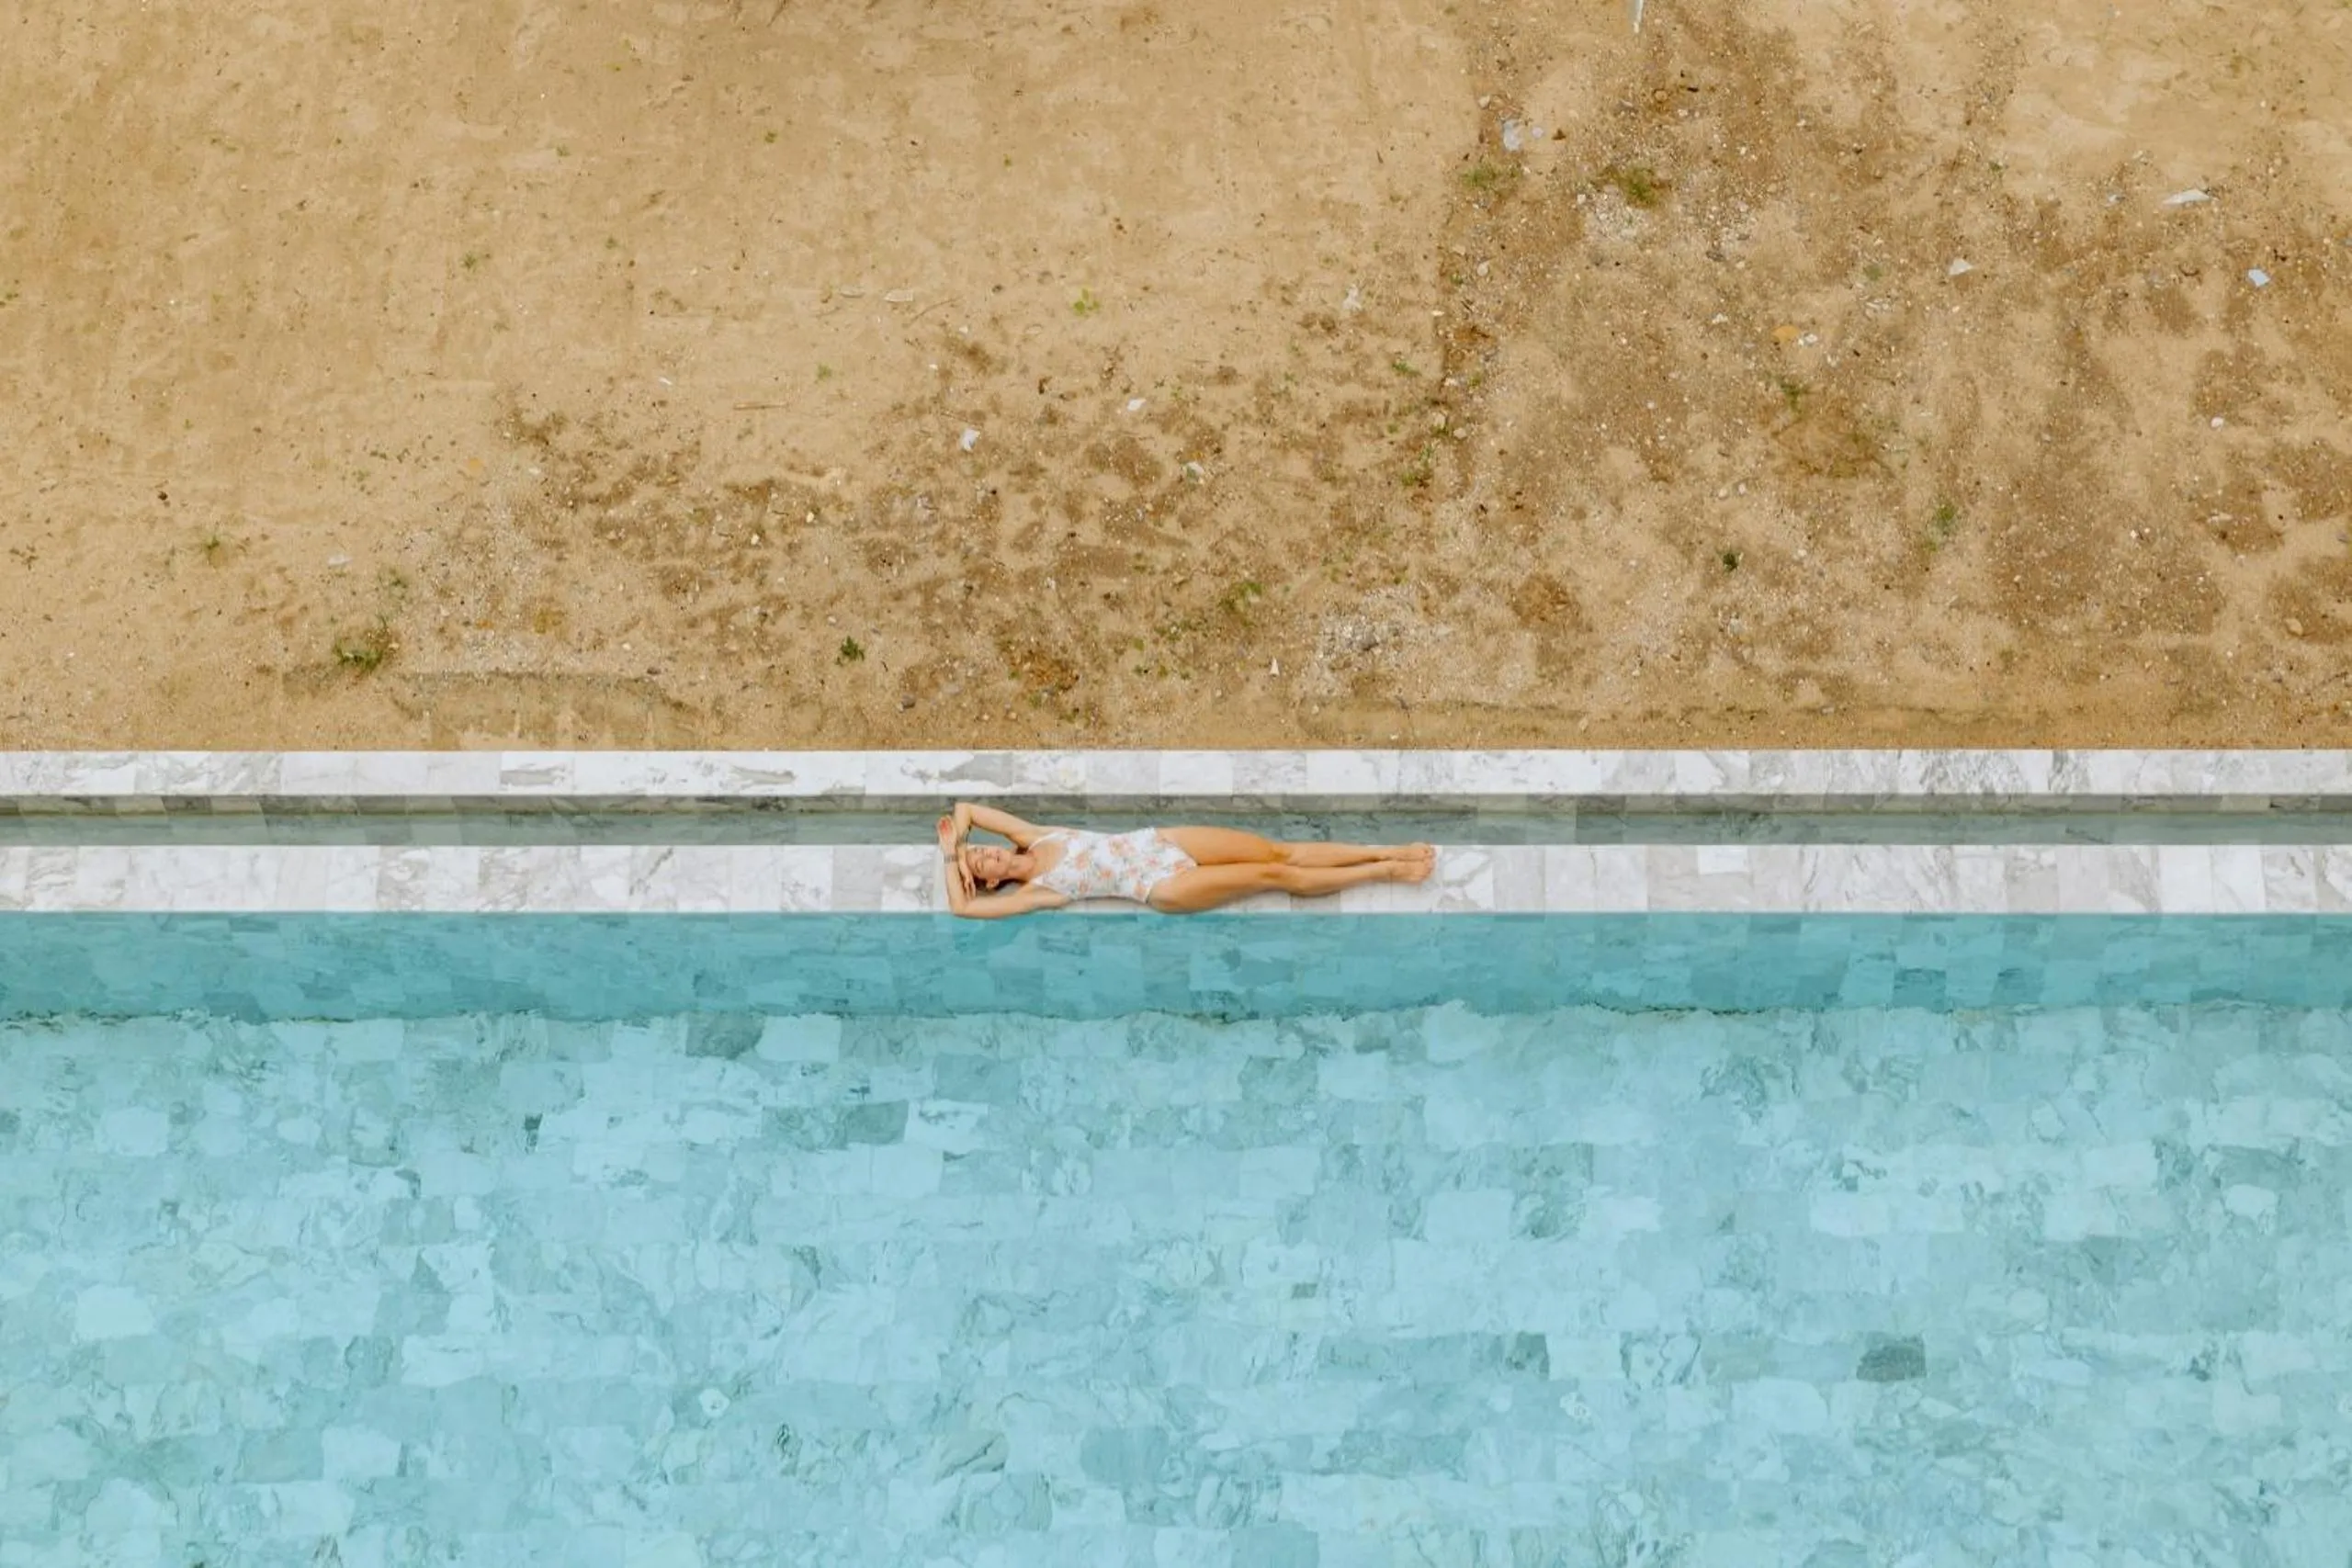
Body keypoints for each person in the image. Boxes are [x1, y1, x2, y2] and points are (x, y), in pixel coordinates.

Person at [935, 801, 1435, 918]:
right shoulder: (1037, 893)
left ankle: (1387, 847)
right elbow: (962, 909)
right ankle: (1385, 870)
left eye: (982, 850)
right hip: (1159, 887)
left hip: (1162, 842)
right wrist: (949, 862)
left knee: (1275, 848)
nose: (986, 854)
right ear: (991, 880)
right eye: (981, 864)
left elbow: (966, 810)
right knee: (1273, 875)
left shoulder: (1034, 835)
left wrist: (957, 846)